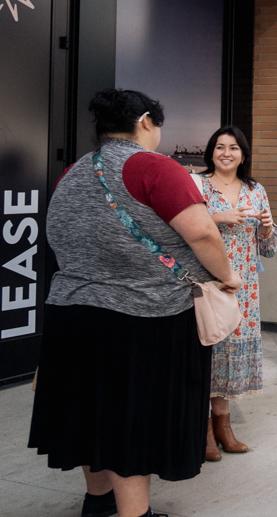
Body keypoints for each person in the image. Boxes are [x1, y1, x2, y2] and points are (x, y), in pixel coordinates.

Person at [29, 89, 241, 517]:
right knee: (131, 420)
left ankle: (99, 501)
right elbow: (201, 233)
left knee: (91, 411)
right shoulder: (153, 167)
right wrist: (227, 276)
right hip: (144, 317)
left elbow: (57, 236)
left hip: (73, 312)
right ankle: (135, 513)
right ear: (146, 121)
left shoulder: (72, 173)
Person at [194, 125, 277, 459]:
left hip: (244, 287)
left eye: (233, 148)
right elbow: (182, 230)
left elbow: (267, 249)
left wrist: (269, 229)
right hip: (207, 282)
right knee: (207, 351)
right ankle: (201, 430)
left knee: (229, 355)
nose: (226, 153)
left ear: (243, 154)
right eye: (219, 147)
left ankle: (223, 425)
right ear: (210, 152)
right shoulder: (197, 185)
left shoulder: (255, 189)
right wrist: (217, 217)